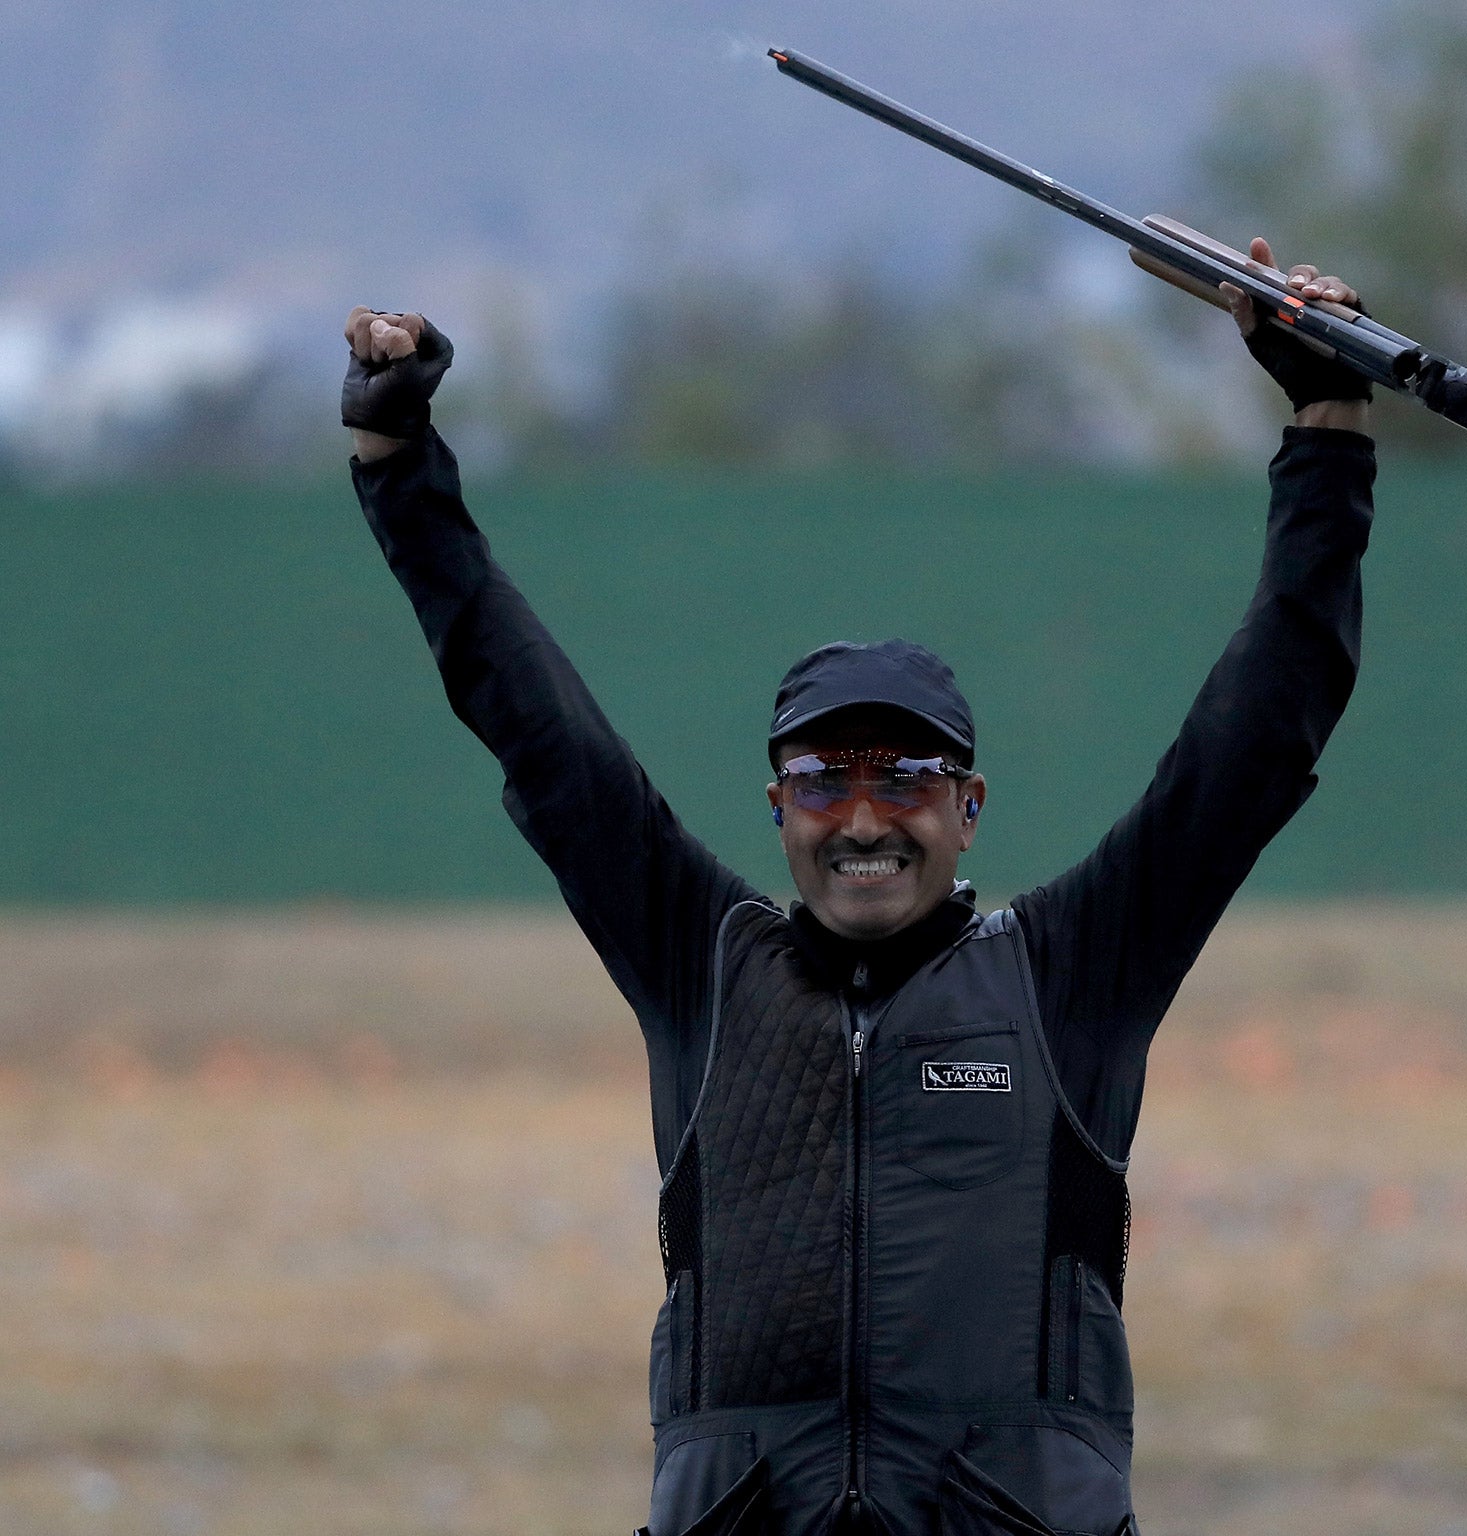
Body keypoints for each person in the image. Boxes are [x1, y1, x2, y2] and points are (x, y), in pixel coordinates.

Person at [344, 242, 1376, 1536]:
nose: (868, 816)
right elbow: (536, 729)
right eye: (825, 778)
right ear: (778, 811)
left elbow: (1260, 736)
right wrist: (398, 471)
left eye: (910, 776)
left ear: (969, 807)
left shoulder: (1069, 976)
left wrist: (1327, 426)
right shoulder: (700, 964)